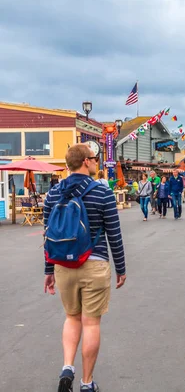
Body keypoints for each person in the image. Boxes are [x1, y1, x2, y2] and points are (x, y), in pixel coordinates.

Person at [43, 144, 126, 392]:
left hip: (63, 265)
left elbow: (49, 235)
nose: (97, 162)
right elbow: (114, 234)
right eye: (95, 159)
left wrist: (49, 271)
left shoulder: (53, 194)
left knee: (72, 318)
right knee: (91, 323)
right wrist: (121, 268)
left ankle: (67, 366)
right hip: (95, 262)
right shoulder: (102, 193)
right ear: (86, 162)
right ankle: (87, 383)